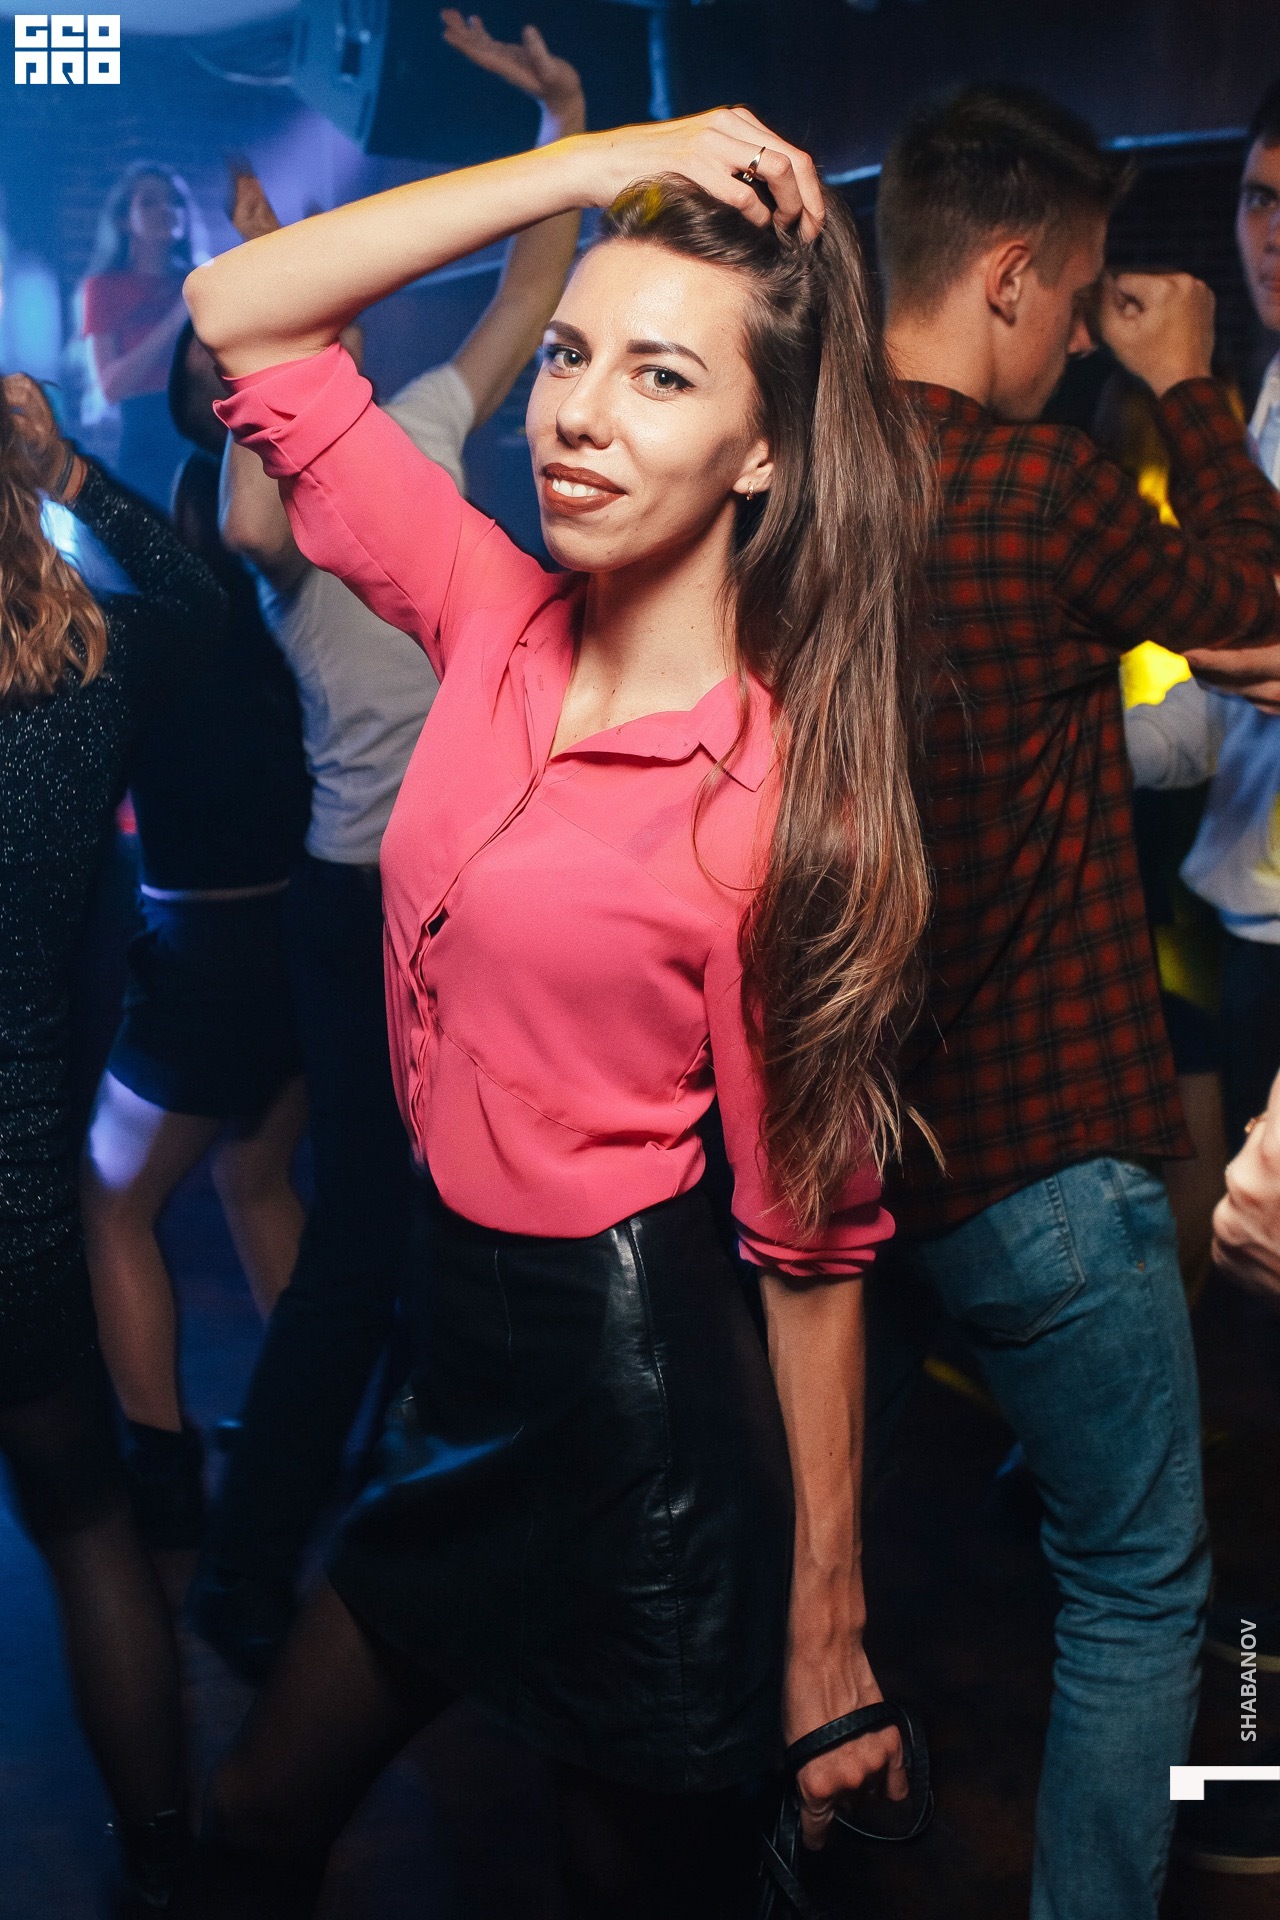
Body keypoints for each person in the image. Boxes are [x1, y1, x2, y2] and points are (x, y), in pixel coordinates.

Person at [179, 87, 927, 1916]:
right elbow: (241, 315)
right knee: (249, 1827)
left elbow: (810, 1248)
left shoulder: (770, 804)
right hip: (453, 1355)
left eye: (663, 377)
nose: (580, 413)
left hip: (637, 1412)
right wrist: (593, 167)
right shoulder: (489, 615)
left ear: (764, 452)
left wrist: (828, 1627)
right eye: (573, 354)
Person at [869, 85, 1280, 1920]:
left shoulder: (805, 472)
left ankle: (1242, 1798)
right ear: (1015, 277)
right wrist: (1190, 385)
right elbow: (1253, 600)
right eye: (1088, 290)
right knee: (1142, 1583)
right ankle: (1232, 1815)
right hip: (1051, 1141)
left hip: (878, 1141)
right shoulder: (1033, 484)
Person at [186, 13, 592, 1683]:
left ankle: (435, 1519)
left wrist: (564, 119)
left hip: (476, 900)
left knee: (453, 1235)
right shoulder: (271, 499)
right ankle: (247, 1567)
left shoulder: (414, 420)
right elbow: (252, 510)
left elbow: (530, 285)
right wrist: (253, 311)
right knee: (363, 1243)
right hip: (361, 912)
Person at [0, 372, 230, 1913]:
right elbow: (208, 608)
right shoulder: (81, 678)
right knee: (88, 1531)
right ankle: (166, 1864)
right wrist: (72, 465)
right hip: (21, 1205)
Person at [78, 320, 312, 1553]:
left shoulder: (195, 579)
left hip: (212, 943)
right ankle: (311, 1436)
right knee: (253, 1176)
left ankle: (161, 1472)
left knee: (111, 1197)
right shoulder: (297, 565)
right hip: (302, 924)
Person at [81, 163, 205, 509]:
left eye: (174, 201)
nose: (166, 209)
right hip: (143, 439)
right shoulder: (103, 288)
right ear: (124, 220)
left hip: (203, 431)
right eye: (149, 201)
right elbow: (110, 386)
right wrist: (177, 318)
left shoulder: (200, 281)